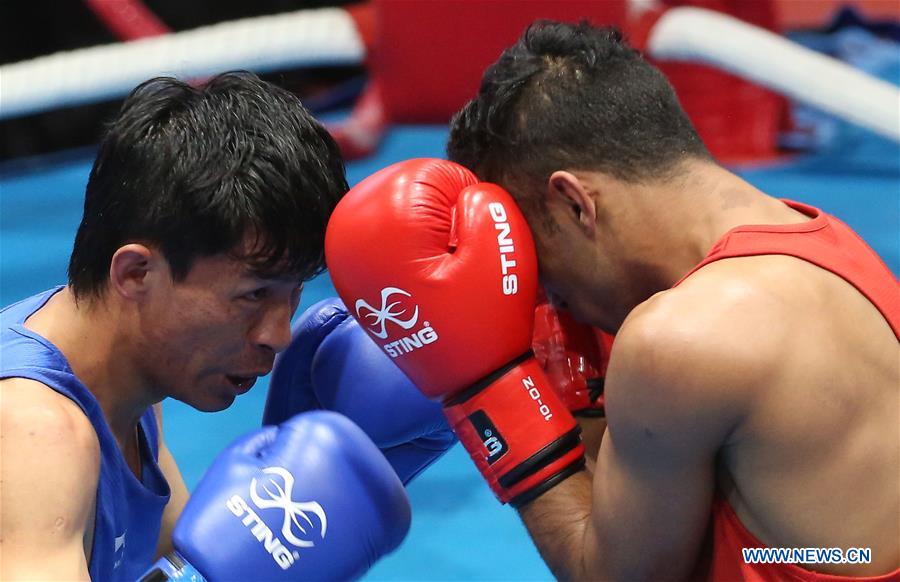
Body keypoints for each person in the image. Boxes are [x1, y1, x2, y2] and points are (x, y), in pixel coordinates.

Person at [321, 21, 899, 581]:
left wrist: (486, 384)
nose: (549, 300)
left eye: (538, 267)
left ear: (574, 203)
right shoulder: (831, 244)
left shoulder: (680, 340)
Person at [0, 72, 413, 582]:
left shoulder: (127, 381)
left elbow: (180, 560)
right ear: (136, 273)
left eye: (293, 292)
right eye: (254, 295)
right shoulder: (36, 433)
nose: (278, 335)